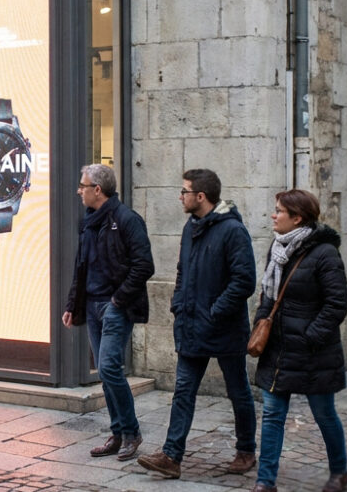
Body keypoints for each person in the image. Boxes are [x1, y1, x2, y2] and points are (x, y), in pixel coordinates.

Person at [138, 169, 257, 479]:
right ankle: (171, 456)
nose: (181, 196)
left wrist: (215, 311)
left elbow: (244, 282)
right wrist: (178, 303)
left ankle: (246, 450)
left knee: (238, 390)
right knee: (183, 391)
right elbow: (182, 271)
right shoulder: (190, 228)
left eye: (185, 191)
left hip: (224, 327)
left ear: (200, 197)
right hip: (192, 325)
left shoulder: (233, 231)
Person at [250, 190, 347, 492]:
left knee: (324, 414)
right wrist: (260, 323)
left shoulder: (325, 254)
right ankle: (265, 481)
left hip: (313, 354)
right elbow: (269, 295)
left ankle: (339, 471)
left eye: (279, 211)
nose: (273, 215)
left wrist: (309, 337)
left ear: (298, 218)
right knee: (271, 415)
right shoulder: (278, 248)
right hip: (278, 351)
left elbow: (337, 304)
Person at [63, 164, 153, 462]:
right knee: (105, 371)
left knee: (111, 368)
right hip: (92, 305)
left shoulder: (126, 220)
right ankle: (117, 433)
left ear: (97, 190)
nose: (79, 190)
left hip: (115, 307)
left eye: (82, 185)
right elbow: (81, 266)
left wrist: (117, 301)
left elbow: (144, 265)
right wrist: (71, 305)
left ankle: (131, 432)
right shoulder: (89, 221)